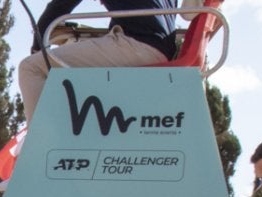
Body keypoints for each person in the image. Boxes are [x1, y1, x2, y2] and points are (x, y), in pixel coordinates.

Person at [17, 1, 179, 120]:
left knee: (31, 68)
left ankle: (42, 150)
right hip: (162, 50)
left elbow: (59, 7)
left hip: (137, 46)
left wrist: (37, 49)